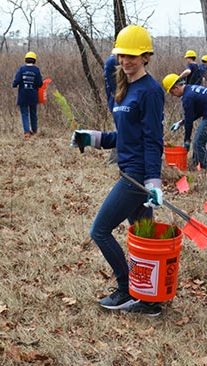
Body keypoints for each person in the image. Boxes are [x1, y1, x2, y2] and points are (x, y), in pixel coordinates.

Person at [71, 25, 164, 316]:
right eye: (123, 55)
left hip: (136, 177)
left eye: (133, 56)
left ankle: (126, 289)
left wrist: (153, 182)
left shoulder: (150, 91)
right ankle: (149, 300)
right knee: (144, 237)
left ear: (146, 56)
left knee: (99, 230)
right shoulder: (126, 88)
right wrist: (92, 137)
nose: (126, 61)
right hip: (128, 170)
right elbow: (123, 136)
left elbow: (152, 140)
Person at [162, 73, 207, 169]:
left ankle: (203, 168)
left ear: (176, 88)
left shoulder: (187, 97)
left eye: (172, 92)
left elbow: (189, 122)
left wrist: (186, 140)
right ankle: (196, 163)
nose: (173, 95)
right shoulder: (191, 89)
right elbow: (199, 111)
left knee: (198, 142)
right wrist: (181, 122)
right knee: (198, 140)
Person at [13, 51, 43, 137]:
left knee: (24, 113)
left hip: (23, 95)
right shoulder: (36, 70)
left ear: (25, 60)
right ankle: (34, 130)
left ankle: (26, 132)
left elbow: (16, 81)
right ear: (34, 60)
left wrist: (14, 84)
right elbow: (40, 84)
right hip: (33, 95)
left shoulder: (21, 69)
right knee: (33, 113)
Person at [104, 53, 119, 164]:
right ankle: (114, 161)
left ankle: (114, 161)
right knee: (121, 132)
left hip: (114, 102)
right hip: (118, 102)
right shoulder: (113, 61)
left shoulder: (110, 60)